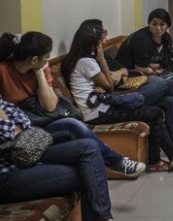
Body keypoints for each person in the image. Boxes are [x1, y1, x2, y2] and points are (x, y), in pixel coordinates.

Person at [0, 32, 145, 178]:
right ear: (34, 59)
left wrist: (40, 74)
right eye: (46, 57)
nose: (48, 61)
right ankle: (117, 162)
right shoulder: (3, 70)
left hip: (42, 122)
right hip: (21, 131)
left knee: (73, 124)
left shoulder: (41, 68)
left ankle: (117, 162)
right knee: (72, 125)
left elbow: (49, 106)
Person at [61, 26, 173, 172]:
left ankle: (163, 160)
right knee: (155, 113)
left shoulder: (79, 60)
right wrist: (101, 57)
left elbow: (106, 85)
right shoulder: (86, 62)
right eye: (100, 41)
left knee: (156, 111)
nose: (102, 44)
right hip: (99, 112)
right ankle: (165, 160)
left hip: (101, 107)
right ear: (93, 44)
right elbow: (109, 85)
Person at [80, 19, 173, 156]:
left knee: (171, 100)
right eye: (104, 33)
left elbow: (124, 70)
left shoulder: (102, 55)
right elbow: (108, 85)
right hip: (119, 98)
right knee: (168, 84)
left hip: (125, 90)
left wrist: (118, 72)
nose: (106, 37)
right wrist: (107, 74)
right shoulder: (89, 61)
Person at [0, 95, 115, 221]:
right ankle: (102, 219)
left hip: (27, 149)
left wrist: (16, 127)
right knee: (89, 171)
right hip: (7, 174)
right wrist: (14, 127)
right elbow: (8, 132)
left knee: (89, 147)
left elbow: (25, 119)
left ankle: (103, 217)